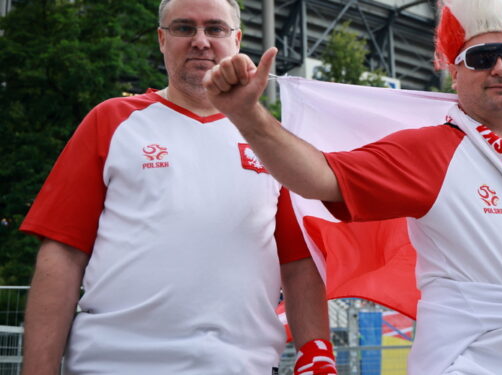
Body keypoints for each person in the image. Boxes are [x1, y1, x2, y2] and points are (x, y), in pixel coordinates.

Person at [201, 0, 502, 372]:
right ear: (454, 69)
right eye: (481, 57)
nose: (499, 67)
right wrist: (249, 115)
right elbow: (320, 177)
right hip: (475, 364)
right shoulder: (432, 151)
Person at [19, 0, 336, 374]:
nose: (200, 41)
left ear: (237, 39)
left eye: (215, 29)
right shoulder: (112, 121)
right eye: (184, 28)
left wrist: (317, 354)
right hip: (113, 363)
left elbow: (299, 264)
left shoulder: (274, 143)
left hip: (238, 365)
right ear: (161, 39)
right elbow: (62, 254)